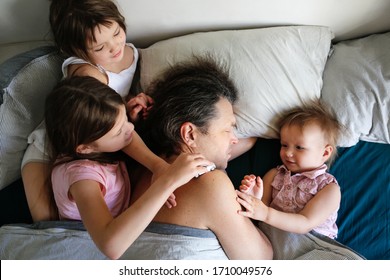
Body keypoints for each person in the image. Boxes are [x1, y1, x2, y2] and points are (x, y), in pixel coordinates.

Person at [44, 76, 214, 259]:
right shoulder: (83, 179)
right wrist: (167, 182)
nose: (130, 128)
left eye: (124, 117)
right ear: (85, 148)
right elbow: (111, 246)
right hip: (97, 242)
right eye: (118, 131)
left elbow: (128, 138)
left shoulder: (97, 142)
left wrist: (159, 167)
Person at [22, 0, 153, 221]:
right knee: (48, 226)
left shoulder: (128, 52)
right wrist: (157, 165)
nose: (114, 46)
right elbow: (103, 118)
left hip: (94, 145)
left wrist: (128, 103)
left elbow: (111, 110)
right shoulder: (86, 73)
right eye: (100, 47)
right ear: (76, 51)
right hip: (48, 151)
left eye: (117, 32)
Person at [130, 57, 273, 259]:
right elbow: (261, 259)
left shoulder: (138, 170)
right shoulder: (210, 184)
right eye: (228, 129)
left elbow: (247, 141)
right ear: (189, 134)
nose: (234, 139)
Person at [236, 102, 343, 239]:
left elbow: (305, 222)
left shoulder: (328, 189)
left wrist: (266, 213)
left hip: (312, 245)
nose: (288, 153)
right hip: (272, 241)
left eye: (299, 147)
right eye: (284, 145)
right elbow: (259, 216)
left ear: (325, 153)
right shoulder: (274, 175)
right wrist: (253, 199)